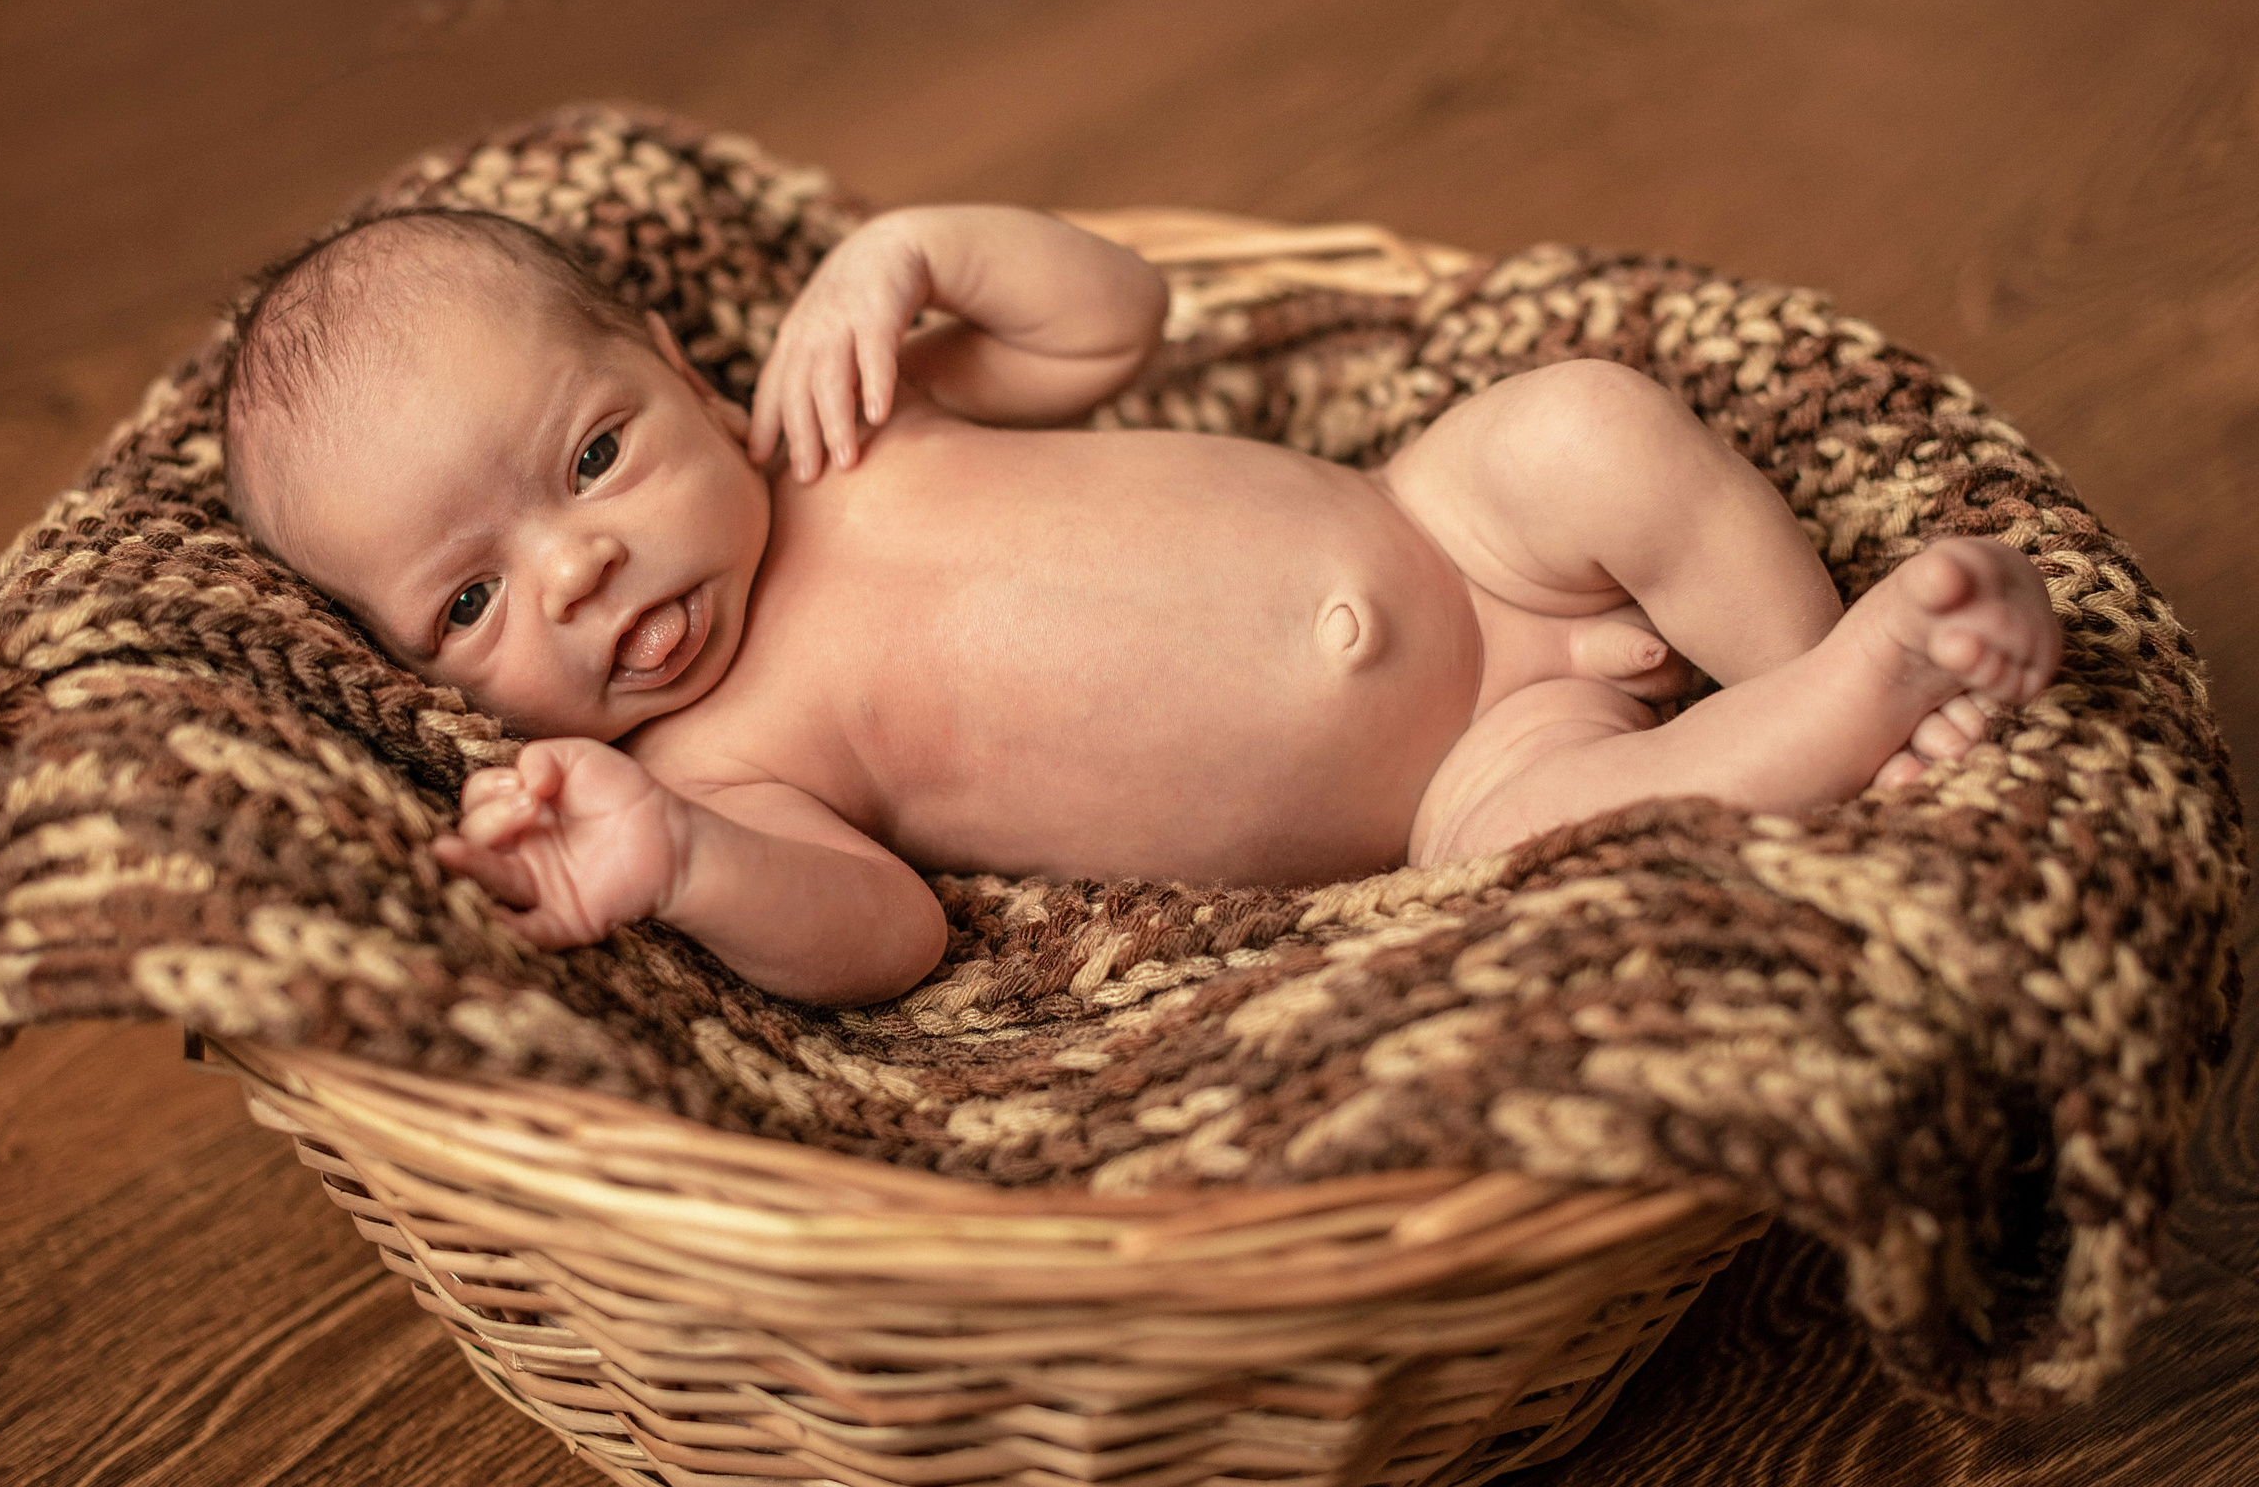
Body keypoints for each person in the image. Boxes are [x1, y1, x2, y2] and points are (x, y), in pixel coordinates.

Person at [221, 205, 2060, 1006]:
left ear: (693, 379)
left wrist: (908, 254)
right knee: (1571, 839)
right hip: (1450, 785)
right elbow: (882, 939)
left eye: (596, 455)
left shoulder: (840, 425)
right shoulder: (720, 754)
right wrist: (677, 858)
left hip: (1459, 535)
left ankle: (1806, 648)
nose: (573, 569)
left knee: (1588, 426)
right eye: (468, 601)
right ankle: (1877, 694)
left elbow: (1115, 318)